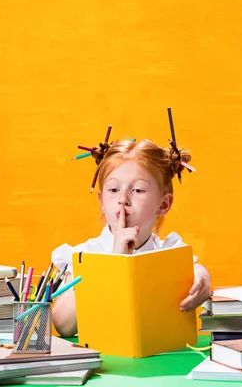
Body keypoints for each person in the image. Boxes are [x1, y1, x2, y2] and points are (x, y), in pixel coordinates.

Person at [51, 137, 212, 337]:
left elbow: (194, 268)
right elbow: (63, 325)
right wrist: (114, 262)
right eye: (113, 190)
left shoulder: (169, 253)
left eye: (137, 190)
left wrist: (202, 277)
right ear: (101, 201)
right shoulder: (84, 255)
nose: (123, 199)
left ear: (163, 205)